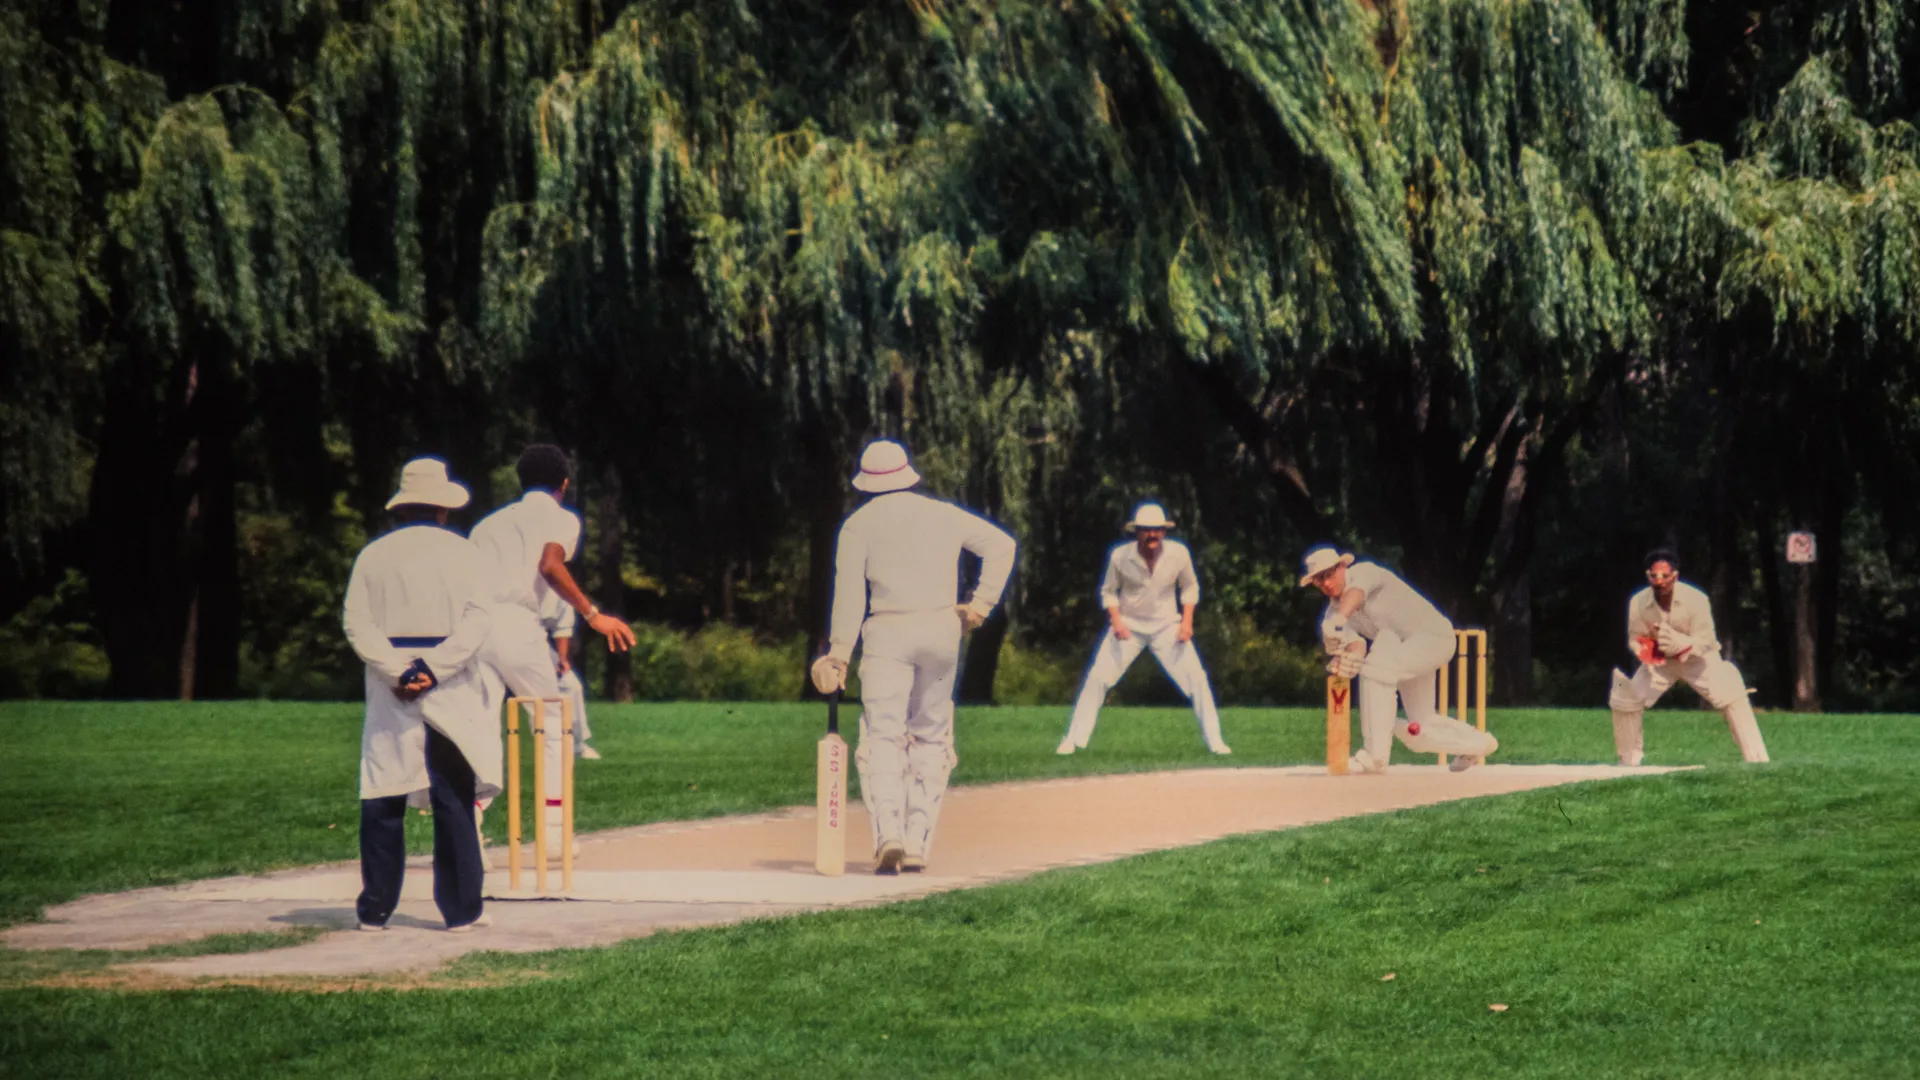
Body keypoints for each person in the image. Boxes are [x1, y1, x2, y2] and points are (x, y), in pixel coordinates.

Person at [809, 439, 1017, 875]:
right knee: (931, 735)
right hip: (941, 628)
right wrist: (979, 606)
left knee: (883, 735)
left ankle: (889, 833)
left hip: (888, 631)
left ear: (865, 483)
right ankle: (919, 837)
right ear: (908, 474)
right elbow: (1002, 546)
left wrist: (839, 655)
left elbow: (849, 597)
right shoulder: (942, 513)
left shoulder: (857, 525)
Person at [341, 458, 496, 932]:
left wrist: (397, 669)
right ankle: (461, 907)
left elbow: (356, 622)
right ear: (444, 509)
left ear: (402, 507)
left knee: (384, 790)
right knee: (452, 791)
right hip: (447, 678)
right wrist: (433, 668)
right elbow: (477, 619)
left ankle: (376, 906)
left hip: (392, 680)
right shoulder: (466, 554)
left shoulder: (374, 555)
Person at [471, 445, 635, 855]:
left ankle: (468, 827)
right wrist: (594, 614)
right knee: (552, 723)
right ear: (563, 484)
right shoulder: (562, 517)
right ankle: (555, 833)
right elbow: (550, 564)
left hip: (473, 626)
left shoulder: (488, 525)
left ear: (521, 481)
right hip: (517, 624)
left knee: (480, 726)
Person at [1301, 545, 1499, 773]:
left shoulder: (1364, 572)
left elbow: (1355, 596)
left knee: (1376, 670)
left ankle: (1374, 757)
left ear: (1343, 566)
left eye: (1329, 575)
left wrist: (1338, 620)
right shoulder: (1331, 614)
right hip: (1399, 647)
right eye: (1319, 580)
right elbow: (1357, 649)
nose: (1326, 584)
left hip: (1434, 636)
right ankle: (1478, 744)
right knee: (1421, 728)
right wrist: (1343, 660)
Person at [1058, 503, 1230, 755]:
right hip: (1128, 625)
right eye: (1146, 530)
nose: (1152, 535)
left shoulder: (1179, 553)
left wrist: (1187, 622)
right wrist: (1116, 621)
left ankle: (1216, 742)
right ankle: (1073, 740)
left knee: (1197, 679)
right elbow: (1108, 591)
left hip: (1167, 626)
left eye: (1157, 530)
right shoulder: (1120, 555)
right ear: (1136, 531)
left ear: (1164, 531)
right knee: (1098, 677)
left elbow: (1190, 588)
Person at [1609, 548, 1770, 765]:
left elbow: (1706, 641)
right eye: (1654, 576)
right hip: (1661, 661)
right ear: (1648, 576)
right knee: (1626, 697)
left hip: (1698, 660)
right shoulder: (1638, 601)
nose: (1660, 582)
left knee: (1731, 692)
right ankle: (1627, 763)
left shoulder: (1696, 599)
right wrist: (1645, 651)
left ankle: (1758, 760)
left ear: (1675, 576)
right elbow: (1635, 637)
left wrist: (1681, 643)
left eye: (1665, 576)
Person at [539, 589, 600, 760]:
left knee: (570, 686)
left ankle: (577, 746)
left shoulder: (556, 589)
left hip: (533, 640)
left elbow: (562, 626)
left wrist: (562, 659)